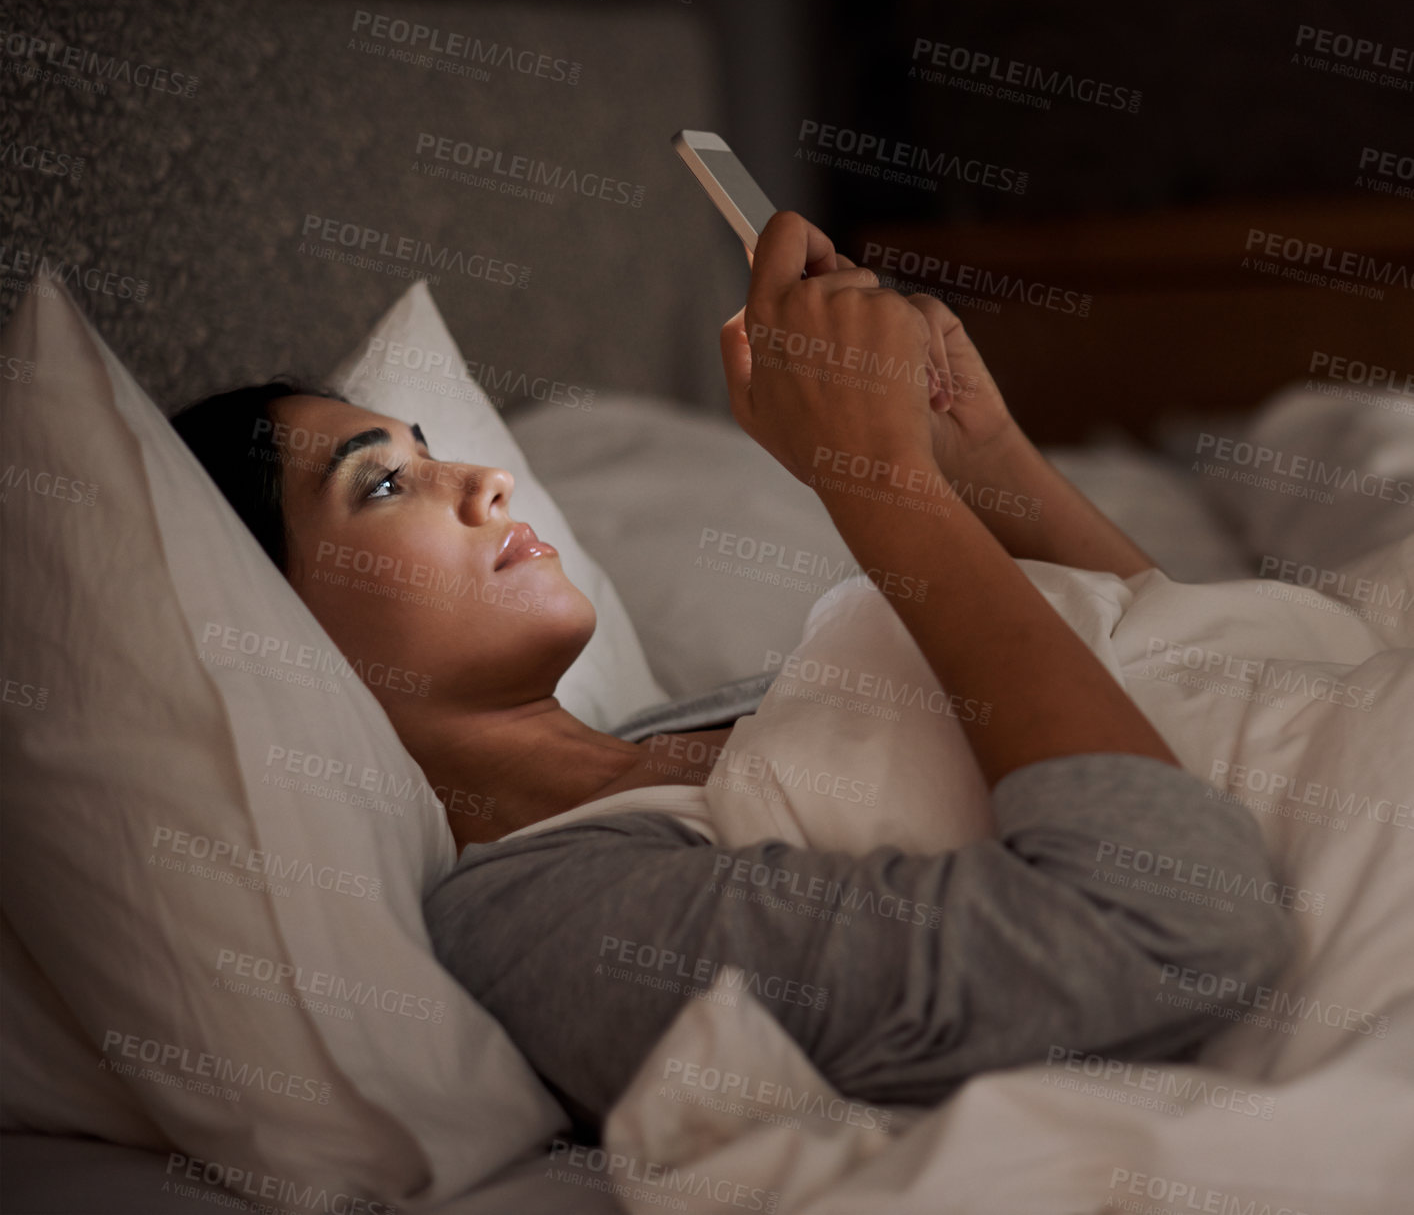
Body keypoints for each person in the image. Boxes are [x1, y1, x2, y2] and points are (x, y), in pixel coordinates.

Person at [172, 211, 1293, 1138]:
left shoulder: (687, 722)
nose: (486, 481)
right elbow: (1171, 931)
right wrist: (878, 487)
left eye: (432, 448)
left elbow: (1182, 674)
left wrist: (978, 455)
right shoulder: (537, 926)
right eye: (381, 485)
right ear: (271, 625)